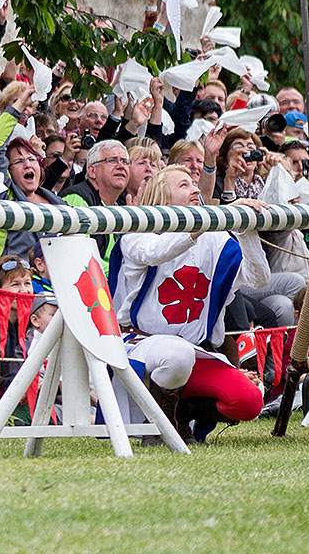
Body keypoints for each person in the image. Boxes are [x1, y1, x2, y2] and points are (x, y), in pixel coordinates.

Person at [109, 165, 269, 442]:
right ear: (161, 196)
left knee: (248, 399)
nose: (195, 189)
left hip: (195, 351)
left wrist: (246, 229)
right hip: (141, 345)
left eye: (195, 184)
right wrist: (210, 220)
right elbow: (159, 252)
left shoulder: (213, 236)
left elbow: (259, 278)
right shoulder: (138, 232)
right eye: (184, 185)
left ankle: (181, 414)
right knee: (176, 355)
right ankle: (161, 428)